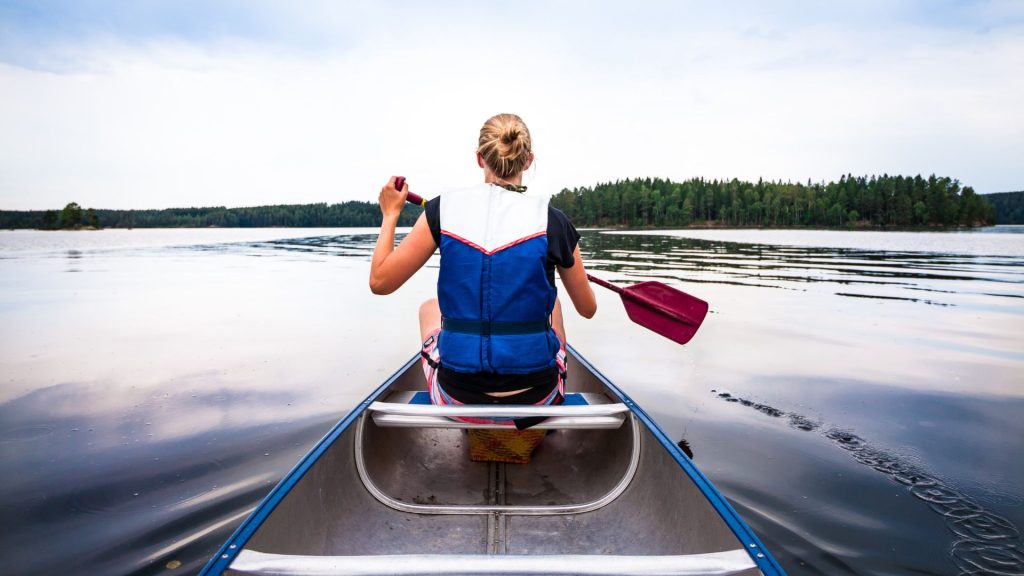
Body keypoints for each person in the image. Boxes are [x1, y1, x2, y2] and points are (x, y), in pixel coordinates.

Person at [369, 113, 596, 431]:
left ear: (480, 159)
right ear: (527, 161)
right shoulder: (554, 220)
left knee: (428, 308)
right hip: (538, 399)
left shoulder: (440, 210)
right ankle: (537, 419)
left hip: (457, 400)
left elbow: (380, 282)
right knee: (555, 305)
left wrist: (390, 214)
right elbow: (588, 309)